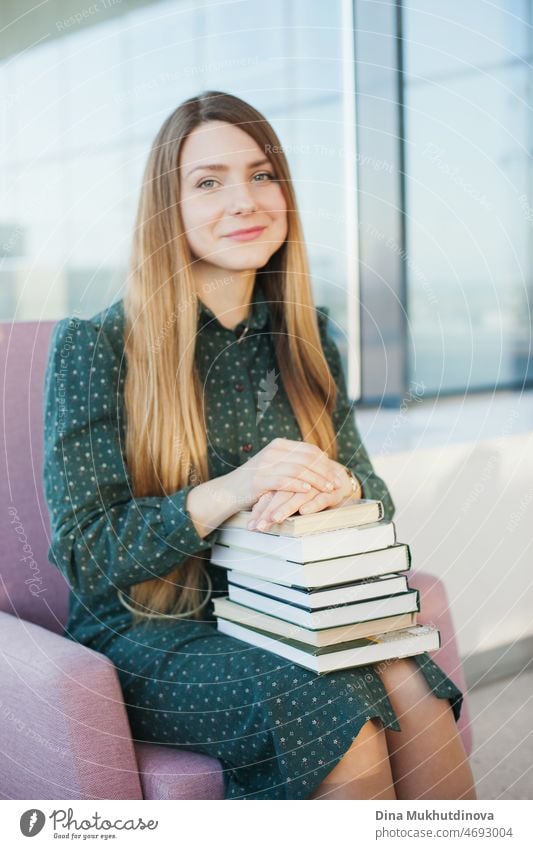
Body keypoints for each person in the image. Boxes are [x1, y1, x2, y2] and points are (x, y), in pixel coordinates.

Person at [43, 90, 476, 801]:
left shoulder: (304, 336)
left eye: (261, 174)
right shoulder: (95, 347)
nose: (243, 200)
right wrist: (232, 490)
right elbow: (88, 554)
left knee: (413, 686)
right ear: (168, 210)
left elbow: (374, 492)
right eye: (208, 181)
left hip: (285, 606)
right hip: (150, 632)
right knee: (337, 712)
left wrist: (337, 488)